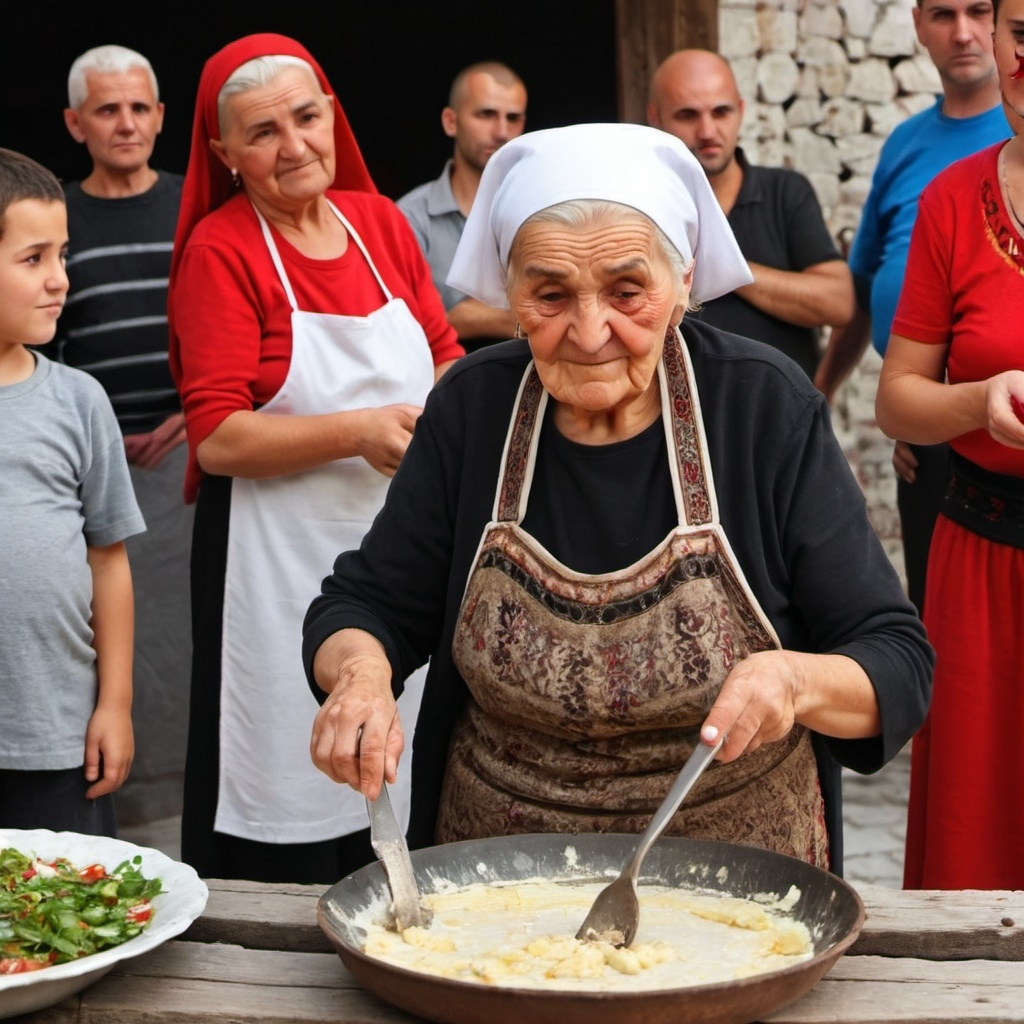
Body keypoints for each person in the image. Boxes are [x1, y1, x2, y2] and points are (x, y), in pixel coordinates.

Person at [303, 123, 933, 876]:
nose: (589, 330)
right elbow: (363, 606)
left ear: (683, 284)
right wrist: (362, 676)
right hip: (495, 877)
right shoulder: (473, 408)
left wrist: (795, 681)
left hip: (740, 878)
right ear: (510, 294)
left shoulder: (760, 405)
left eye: (628, 291)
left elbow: (895, 661)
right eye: (550, 294)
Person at [168, 34, 463, 884]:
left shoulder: (380, 225)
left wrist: (436, 434)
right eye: (262, 132)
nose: (293, 145)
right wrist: (358, 432)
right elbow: (218, 436)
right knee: (280, 749)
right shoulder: (219, 252)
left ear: (334, 116)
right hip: (269, 560)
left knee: (396, 721)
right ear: (224, 153)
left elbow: (444, 354)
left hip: (397, 541)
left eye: (306, 117)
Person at [875, 0, 1024, 891]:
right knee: (979, 839)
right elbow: (898, 400)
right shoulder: (951, 197)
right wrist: (975, 401)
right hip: (979, 561)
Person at [816, 0, 1008, 614]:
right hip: (930, 427)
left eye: (980, 12)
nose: (963, 33)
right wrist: (818, 398)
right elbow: (863, 282)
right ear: (918, 24)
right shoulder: (905, 144)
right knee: (935, 624)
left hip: (996, 421)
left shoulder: (1014, 137)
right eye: (943, 14)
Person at [58, 44, 191, 824]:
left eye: (140, 107)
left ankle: (181, 808)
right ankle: (124, 814)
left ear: (162, 116)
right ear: (76, 123)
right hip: (94, 470)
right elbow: (44, 346)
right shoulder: (57, 215)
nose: (127, 123)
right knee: (113, 640)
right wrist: (99, 430)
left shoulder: (191, 206)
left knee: (182, 643)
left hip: (186, 458)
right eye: (108, 110)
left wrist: (195, 414)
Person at [0, 148, 145, 835]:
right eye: (33, 259)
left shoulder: (79, 401)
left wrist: (113, 705)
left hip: (57, 739)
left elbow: (108, 559)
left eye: (62, 255)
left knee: (68, 919)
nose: (59, 279)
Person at [647, 49, 854, 379]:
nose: (707, 130)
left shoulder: (785, 192)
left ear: (741, 111)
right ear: (655, 118)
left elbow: (838, 303)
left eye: (721, 112)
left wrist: (724, 264)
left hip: (779, 419)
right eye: (687, 115)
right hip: (676, 421)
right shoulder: (642, 206)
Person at [397, 62, 527, 352]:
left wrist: (469, 316)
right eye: (486, 114)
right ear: (450, 122)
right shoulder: (407, 218)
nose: (503, 131)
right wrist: (517, 318)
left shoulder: (539, 207)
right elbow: (400, 331)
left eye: (514, 118)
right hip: (446, 385)